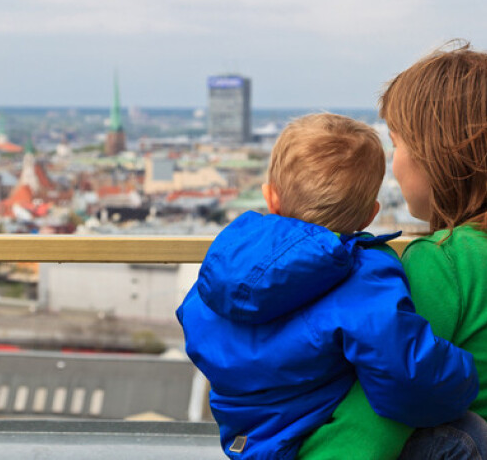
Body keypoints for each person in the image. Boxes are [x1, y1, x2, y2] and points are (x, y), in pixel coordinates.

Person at [176, 112, 478, 460]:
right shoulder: (363, 274)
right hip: (317, 437)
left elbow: (197, 326)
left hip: (247, 439)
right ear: (370, 214)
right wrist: (466, 376)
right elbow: (409, 377)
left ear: (270, 198)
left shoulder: (224, 264)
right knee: (468, 436)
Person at [299, 43, 487, 460]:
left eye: (397, 144)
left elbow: (381, 412)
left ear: (438, 154)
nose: (394, 164)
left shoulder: (445, 262)